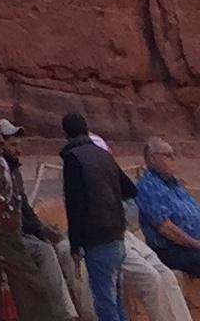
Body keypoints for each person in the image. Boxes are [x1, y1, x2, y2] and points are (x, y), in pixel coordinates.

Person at [0, 115, 72, 321]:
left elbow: (21, 207)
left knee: (36, 292)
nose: (0, 141)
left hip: (12, 238)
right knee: (19, 294)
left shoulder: (2, 166)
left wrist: (40, 230)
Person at [60, 115, 130, 321]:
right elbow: (129, 189)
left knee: (105, 304)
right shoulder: (104, 155)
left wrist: (75, 245)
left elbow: (74, 206)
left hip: (97, 240)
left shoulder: (73, 158)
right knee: (117, 301)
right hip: (117, 235)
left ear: (65, 133)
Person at [132, 140, 200, 282]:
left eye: (173, 155)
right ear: (152, 158)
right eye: (167, 155)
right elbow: (166, 228)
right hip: (173, 249)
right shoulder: (148, 187)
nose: (173, 159)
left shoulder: (175, 185)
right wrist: (196, 244)